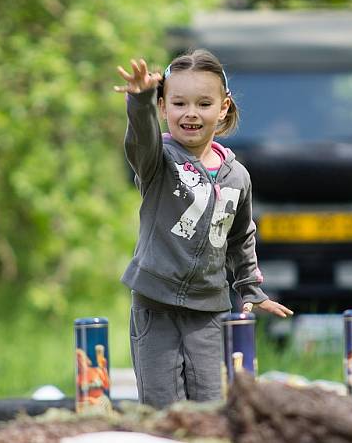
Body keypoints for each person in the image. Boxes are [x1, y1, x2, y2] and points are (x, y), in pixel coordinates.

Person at [114, 49, 293, 408]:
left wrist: (250, 289)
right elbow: (140, 141)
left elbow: (241, 237)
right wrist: (140, 101)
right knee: (163, 406)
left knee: (211, 403)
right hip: (155, 304)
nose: (191, 113)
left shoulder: (237, 176)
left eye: (203, 103)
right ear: (164, 107)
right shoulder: (158, 162)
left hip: (209, 309)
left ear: (223, 108)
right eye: (179, 103)